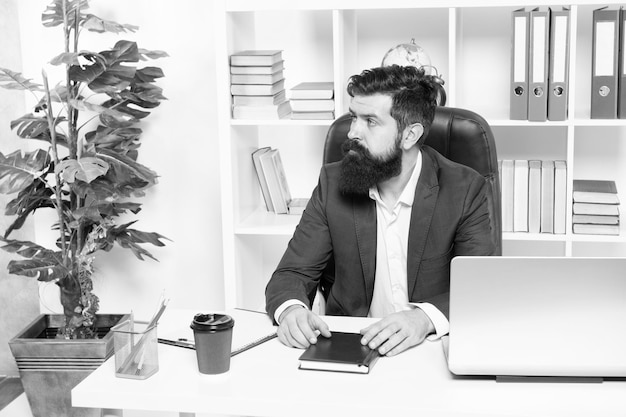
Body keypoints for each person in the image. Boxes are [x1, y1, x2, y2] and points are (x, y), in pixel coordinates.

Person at [265, 65, 496, 357]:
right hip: (353, 347)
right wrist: (292, 310)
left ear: (410, 135)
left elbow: (481, 289)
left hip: (429, 349)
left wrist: (424, 318)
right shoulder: (332, 183)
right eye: (353, 118)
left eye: (370, 121)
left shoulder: (465, 189)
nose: (351, 133)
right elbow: (290, 274)